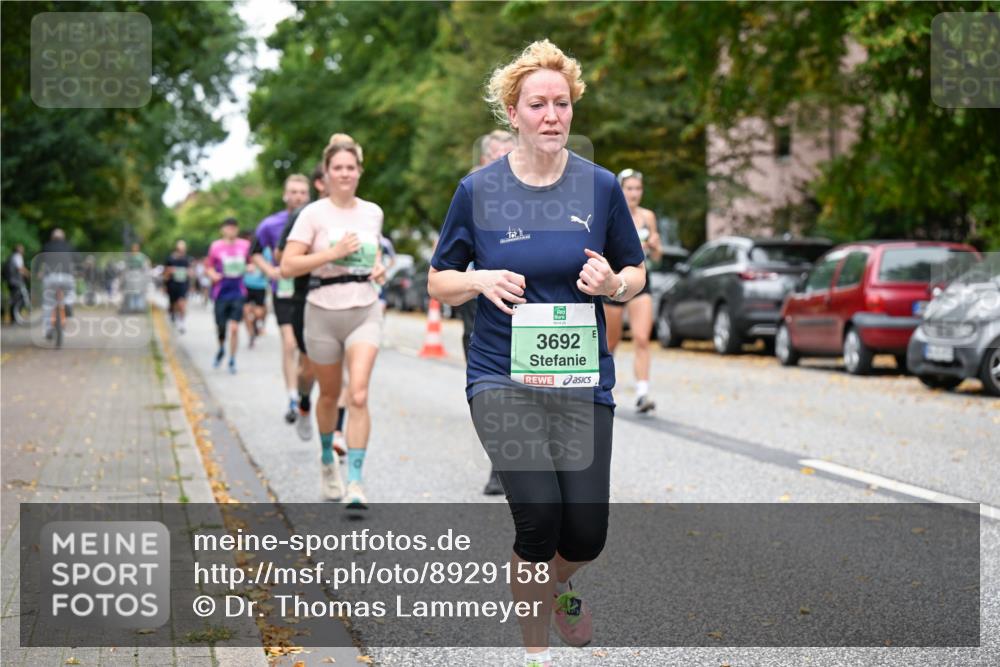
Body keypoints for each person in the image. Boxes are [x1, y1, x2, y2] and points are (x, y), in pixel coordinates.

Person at [428, 40, 645, 667]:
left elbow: (636, 271)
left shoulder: (600, 187)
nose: (552, 115)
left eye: (562, 103)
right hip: (502, 376)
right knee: (538, 519)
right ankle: (535, 655)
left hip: (580, 379)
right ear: (513, 113)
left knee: (586, 535)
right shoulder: (479, 190)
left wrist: (614, 285)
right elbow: (439, 281)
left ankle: (553, 587)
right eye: (537, 104)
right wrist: (478, 279)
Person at [281, 134, 388, 508]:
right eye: (337, 168)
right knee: (328, 395)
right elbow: (288, 266)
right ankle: (328, 459)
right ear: (325, 174)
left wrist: (378, 269)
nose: (344, 173)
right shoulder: (313, 214)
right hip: (322, 311)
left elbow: (373, 256)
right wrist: (332, 253)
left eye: (350, 167)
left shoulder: (373, 213)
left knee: (357, 393)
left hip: (364, 308)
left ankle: (355, 481)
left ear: (359, 171)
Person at [466, 129, 516, 495]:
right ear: (484, 161)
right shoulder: (471, 192)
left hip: (521, 299)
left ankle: (506, 466)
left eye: (509, 156)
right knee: (490, 388)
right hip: (477, 300)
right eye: (497, 157)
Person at [251, 174, 312, 423]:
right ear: (285, 195)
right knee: (289, 343)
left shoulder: (317, 219)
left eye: (302, 192)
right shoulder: (270, 224)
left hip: (311, 291)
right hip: (284, 291)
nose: (298, 197)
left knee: (309, 354)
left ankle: (304, 394)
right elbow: (254, 253)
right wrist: (270, 271)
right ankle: (292, 398)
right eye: (293, 192)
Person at [602, 168, 662, 413]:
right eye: (629, 188)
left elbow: (657, 256)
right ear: (621, 189)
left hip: (642, 281)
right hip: (616, 280)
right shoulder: (611, 212)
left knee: (642, 338)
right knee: (611, 341)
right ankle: (602, 387)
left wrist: (655, 246)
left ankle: (642, 393)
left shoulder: (648, 216)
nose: (634, 193)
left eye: (638, 188)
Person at [205, 218, 251, 373]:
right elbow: (209, 267)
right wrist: (213, 275)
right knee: (221, 327)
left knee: (235, 328)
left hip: (238, 292)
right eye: (228, 227)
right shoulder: (215, 246)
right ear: (222, 229)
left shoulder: (245, 245)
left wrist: (250, 267)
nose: (231, 230)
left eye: (234, 227)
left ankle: (232, 359)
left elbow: (251, 262)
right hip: (221, 292)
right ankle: (221, 348)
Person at [38, 229, 79, 338]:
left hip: (50, 277)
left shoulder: (46, 246)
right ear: (63, 238)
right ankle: (67, 303)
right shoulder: (69, 246)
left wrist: (38, 272)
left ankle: (48, 330)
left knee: (48, 304)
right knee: (71, 292)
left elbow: (38, 260)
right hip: (66, 276)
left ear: (52, 238)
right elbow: (78, 259)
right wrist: (78, 271)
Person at [242, 236, 270, 347]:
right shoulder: (245, 250)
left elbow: (269, 266)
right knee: (246, 311)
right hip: (246, 285)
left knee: (258, 313)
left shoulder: (266, 251)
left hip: (260, 286)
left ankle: (255, 325)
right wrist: (246, 268)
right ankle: (251, 334)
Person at [164, 240, 191, 333]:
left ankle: (181, 323)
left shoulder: (187, 259)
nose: (182, 251)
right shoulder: (170, 259)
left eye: (183, 249)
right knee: (173, 304)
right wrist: (165, 284)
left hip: (183, 284)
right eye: (180, 249)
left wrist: (188, 273)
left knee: (182, 304)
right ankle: (173, 315)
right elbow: (166, 272)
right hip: (172, 284)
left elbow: (190, 271)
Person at [4, 243, 29, 323]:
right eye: (22, 249)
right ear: (19, 250)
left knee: (14, 298)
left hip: (10, 281)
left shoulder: (11, 257)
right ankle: (15, 318)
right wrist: (29, 274)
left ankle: (14, 318)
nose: (23, 251)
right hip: (16, 282)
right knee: (17, 299)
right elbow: (20, 268)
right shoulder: (18, 256)